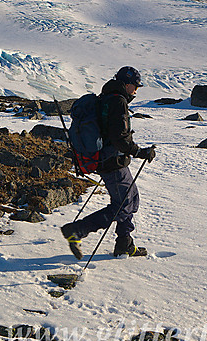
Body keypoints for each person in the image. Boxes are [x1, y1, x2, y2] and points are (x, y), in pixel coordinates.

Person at [61, 66, 156, 258]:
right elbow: (119, 137)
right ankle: (77, 230)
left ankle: (124, 244)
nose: (136, 91)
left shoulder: (106, 97)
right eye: (135, 86)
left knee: (131, 199)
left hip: (111, 160)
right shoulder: (117, 101)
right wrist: (140, 151)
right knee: (122, 205)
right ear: (127, 84)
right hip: (112, 161)